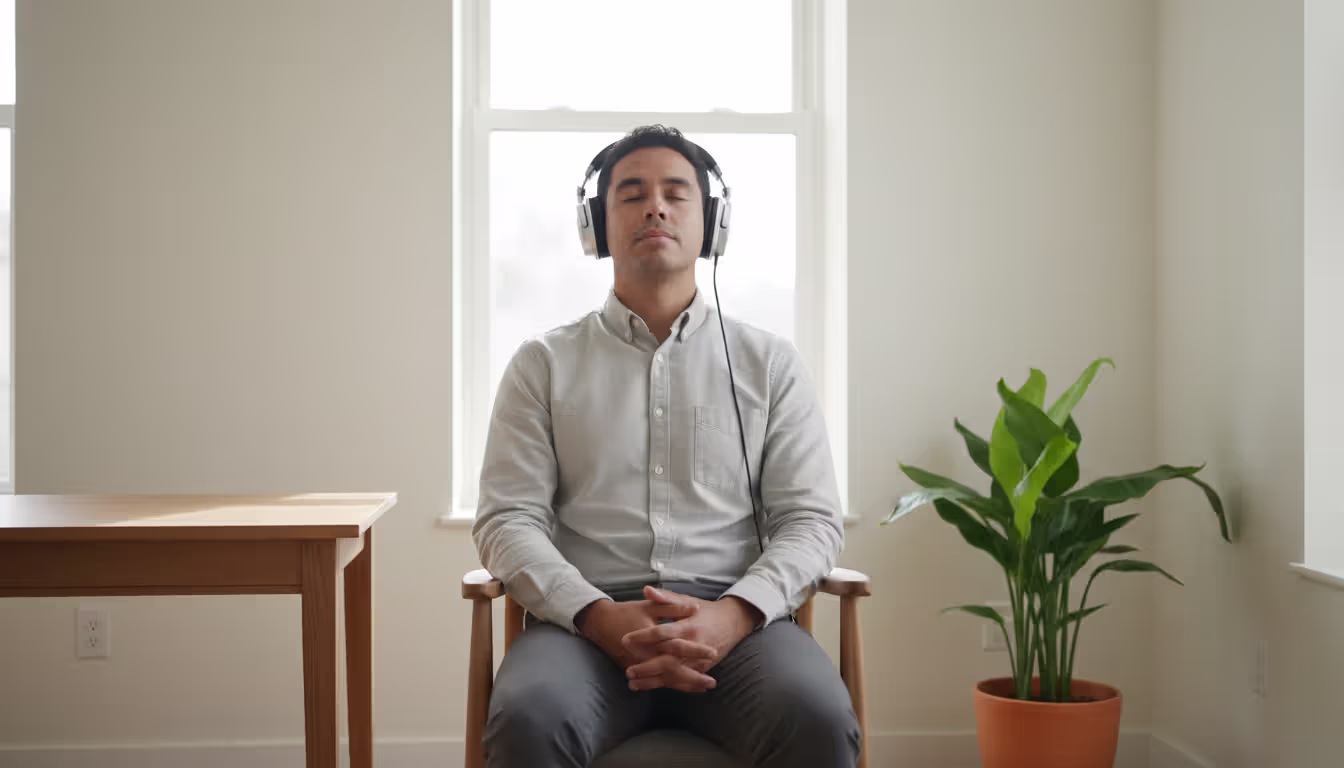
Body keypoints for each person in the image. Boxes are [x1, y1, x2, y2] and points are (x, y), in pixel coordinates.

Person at [472, 125, 860, 768]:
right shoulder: (542, 363)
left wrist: (732, 615)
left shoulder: (771, 364)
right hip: (584, 630)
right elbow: (507, 519)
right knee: (529, 719)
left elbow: (809, 520)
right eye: (632, 193)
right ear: (595, 228)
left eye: (676, 192)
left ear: (712, 225)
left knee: (815, 717)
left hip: (741, 629)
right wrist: (597, 616)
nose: (656, 206)